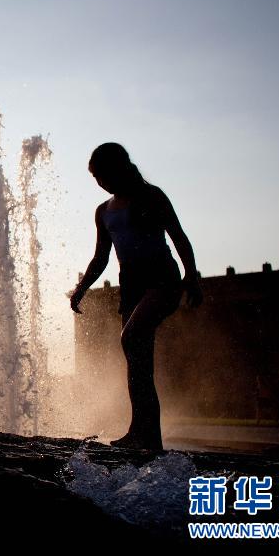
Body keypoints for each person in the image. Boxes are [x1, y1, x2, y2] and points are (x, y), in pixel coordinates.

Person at [69, 142, 202, 451]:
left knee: (131, 338)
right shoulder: (103, 212)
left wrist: (191, 278)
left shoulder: (151, 196)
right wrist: (82, 288)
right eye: (95, 179)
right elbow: (101, 257)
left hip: (162, 279)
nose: (100, 183)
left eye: (102, 175)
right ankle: (144, 434)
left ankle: (146, 435)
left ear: (119, 168)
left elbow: (178, 236)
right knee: (138, 363)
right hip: (131, 284)